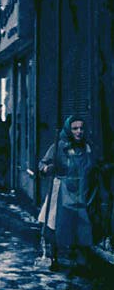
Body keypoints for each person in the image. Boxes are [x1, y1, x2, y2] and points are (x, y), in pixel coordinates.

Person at [38, 115, 96, 269]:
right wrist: (46, 168)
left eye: (81, 128)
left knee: (81, 224)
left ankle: (79, 259)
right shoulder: (59, 146)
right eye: (75, 128)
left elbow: (92, 169)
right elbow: (43, 164)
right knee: (56, 223)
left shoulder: (87, 148)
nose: (79, 132)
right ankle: (53, 256)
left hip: (81, 191)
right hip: (62, 189)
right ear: (68, 130)